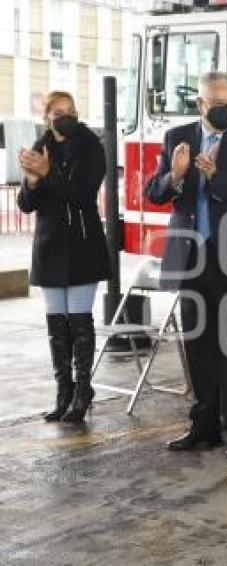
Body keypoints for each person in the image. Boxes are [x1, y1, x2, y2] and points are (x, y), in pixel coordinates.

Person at [146, 72, 227, 460]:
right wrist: (176, 175)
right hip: (192, 257)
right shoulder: (176, 136)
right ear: (200, 104)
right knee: (198, 345)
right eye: (220, 105)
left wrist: (215, 176)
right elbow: (154, 193)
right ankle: (203, 427)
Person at [17, 91, 112, 424]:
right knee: (57, 325)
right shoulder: (40, 146)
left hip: (83, 246)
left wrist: (47, 174)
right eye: (59, 112)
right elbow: (26, 204)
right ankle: (64, 392)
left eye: (71, 111)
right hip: (49, 246)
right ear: (47, 115)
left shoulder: (91, 147)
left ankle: (83, 391)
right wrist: (31, 182)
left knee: (79, 321)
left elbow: (83, 197)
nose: (66, 116)